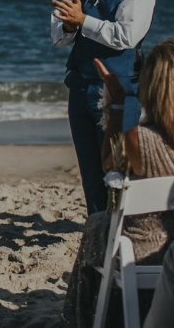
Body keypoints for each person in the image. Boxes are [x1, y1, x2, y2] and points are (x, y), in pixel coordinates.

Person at [63, 40, 174, 326]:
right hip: (169, 249)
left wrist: (116, 105)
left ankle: (82, 317)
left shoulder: (141, 141)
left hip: (143, 251)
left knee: (97, 225)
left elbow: (108, 161)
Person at [51, 0, 156, 214]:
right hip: (80, 86)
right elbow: (58, 37)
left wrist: (83, 20)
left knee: (116, 166)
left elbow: (127, 36)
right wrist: (71, 26)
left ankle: (120, 228)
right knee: (88, 165)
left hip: (117, 89)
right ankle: (96, 224)